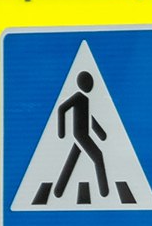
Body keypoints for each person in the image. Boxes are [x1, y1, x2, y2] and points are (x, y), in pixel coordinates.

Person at [47, 70, 111, 203]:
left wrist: (101, 133)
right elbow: (62, 109)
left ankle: (58, 191)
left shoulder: (86, 99)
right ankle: (105, 193)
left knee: (72, 160)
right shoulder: (77, 97)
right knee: (98, 157)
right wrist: (61, 132)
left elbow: (89, 119)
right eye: (89, 83)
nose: (91, 86)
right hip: (80, 135)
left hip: (82, 134)